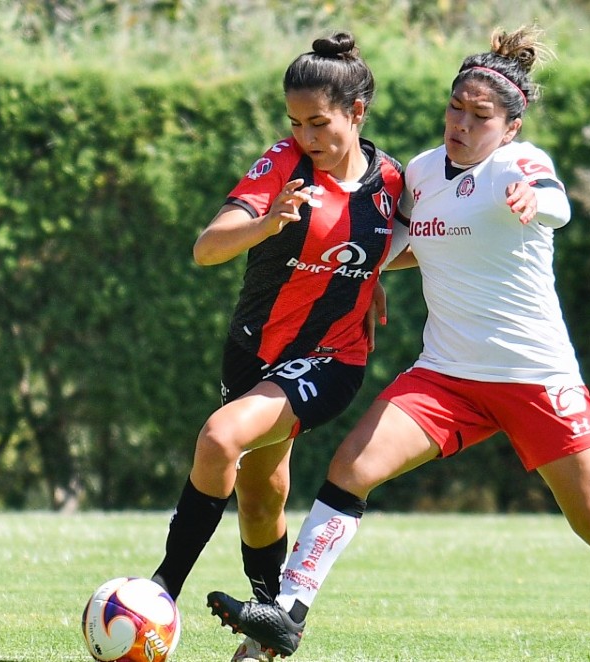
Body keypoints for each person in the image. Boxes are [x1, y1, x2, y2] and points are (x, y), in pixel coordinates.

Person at [207, 25, 590, 662]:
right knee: (350, 469)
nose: (461, 123)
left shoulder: (521, 163)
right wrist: (364, 285)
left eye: (480, 116)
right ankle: (285, 617)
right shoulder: (422, 172)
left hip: (533, 377)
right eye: (455, 108)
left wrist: (532, 202)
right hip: (446, 376)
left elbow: (556, 202)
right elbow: (386, 246)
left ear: (508, 127)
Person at [145, 32, 408, 662]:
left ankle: (162, 589)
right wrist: (268, 223)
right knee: (262, 494)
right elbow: (207, 247)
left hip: (330, 359)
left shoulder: (394, 180)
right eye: (295, 122)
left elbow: (419, 243)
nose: (307, 136)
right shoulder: (283, 163)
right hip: (251, 352)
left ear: (357, 113)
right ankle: (269, 631)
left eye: (320, 122)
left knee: (219, 438)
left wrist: (369, 282)